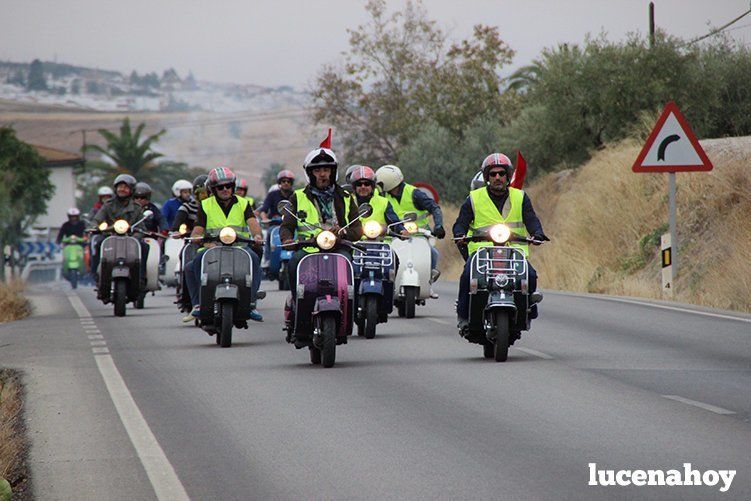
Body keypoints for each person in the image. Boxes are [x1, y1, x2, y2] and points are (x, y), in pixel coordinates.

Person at [452, 153, 548, 330]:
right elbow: (461, 223)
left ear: (507, 175)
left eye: (501, 173)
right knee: (467, 276)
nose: (497, 177)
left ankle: (529, 309)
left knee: (531, 275)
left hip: (513, 252)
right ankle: (463, 315)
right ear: (487, 177)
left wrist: (537, 233)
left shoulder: (520, 197)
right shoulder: (474, 198)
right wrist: (459, 234)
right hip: (482, 252)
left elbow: (531, 219)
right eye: (493, 174)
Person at [182, 167, 264, 323]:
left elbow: (253, 223)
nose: (225, 189)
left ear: (233, 187)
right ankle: (198, 304)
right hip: (212, 247)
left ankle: (251, 303)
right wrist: (200, 239)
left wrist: (257, 236)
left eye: (228, 186)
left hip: (239, 247)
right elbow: (197, 230)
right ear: (213, 189)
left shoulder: (243, 203)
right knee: (192, 265)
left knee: (254, 260)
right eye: (220, 187)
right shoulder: (205, 205)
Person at [279, 145, 362, 296]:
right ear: (310, 173)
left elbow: (357, 230)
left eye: (326, 170)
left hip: (339, 247)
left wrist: (343, 232)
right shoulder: (298, 197)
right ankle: (296, 301)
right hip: (308, 249)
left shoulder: (346, 197)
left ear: (333, 172)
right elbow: (287, 225)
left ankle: (352, 306)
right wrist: (287, 239)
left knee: (354, 268)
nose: (322, 174)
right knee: (294, 263)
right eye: (317, 170)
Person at [375, 164, 445, 297]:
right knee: (384, 257)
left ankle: (428, 281)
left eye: (380, 183)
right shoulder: (383, 196)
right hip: (394, 236)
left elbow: (434, 207)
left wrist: (438, 226)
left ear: (387, 182)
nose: (378, 186)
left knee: (433, 253)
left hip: (419, 235)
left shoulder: (414, 193)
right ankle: (385, 284)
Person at [91, 174, 147, 287]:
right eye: (120, 186)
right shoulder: (108, 205)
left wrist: (136, 237)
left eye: (125, 187)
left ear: (131, 190)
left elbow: (141, 226)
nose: (122, 189)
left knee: (144, 246)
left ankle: (141, 277)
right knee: (98, 243)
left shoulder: (137, 207)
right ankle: (97, 275)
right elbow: (97, 219)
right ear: (115, 188)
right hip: (109, 236)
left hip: (130, 237)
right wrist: (97, 227)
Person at [350, 166, 406, 237]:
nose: (363, 187)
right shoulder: (347, 201)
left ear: (372, 186)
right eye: (359, 184)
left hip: (379, 244)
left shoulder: (383, 202)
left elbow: (394, 221)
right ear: (354, 187)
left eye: (367, 184)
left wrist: (401, 230)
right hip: (352, 244)